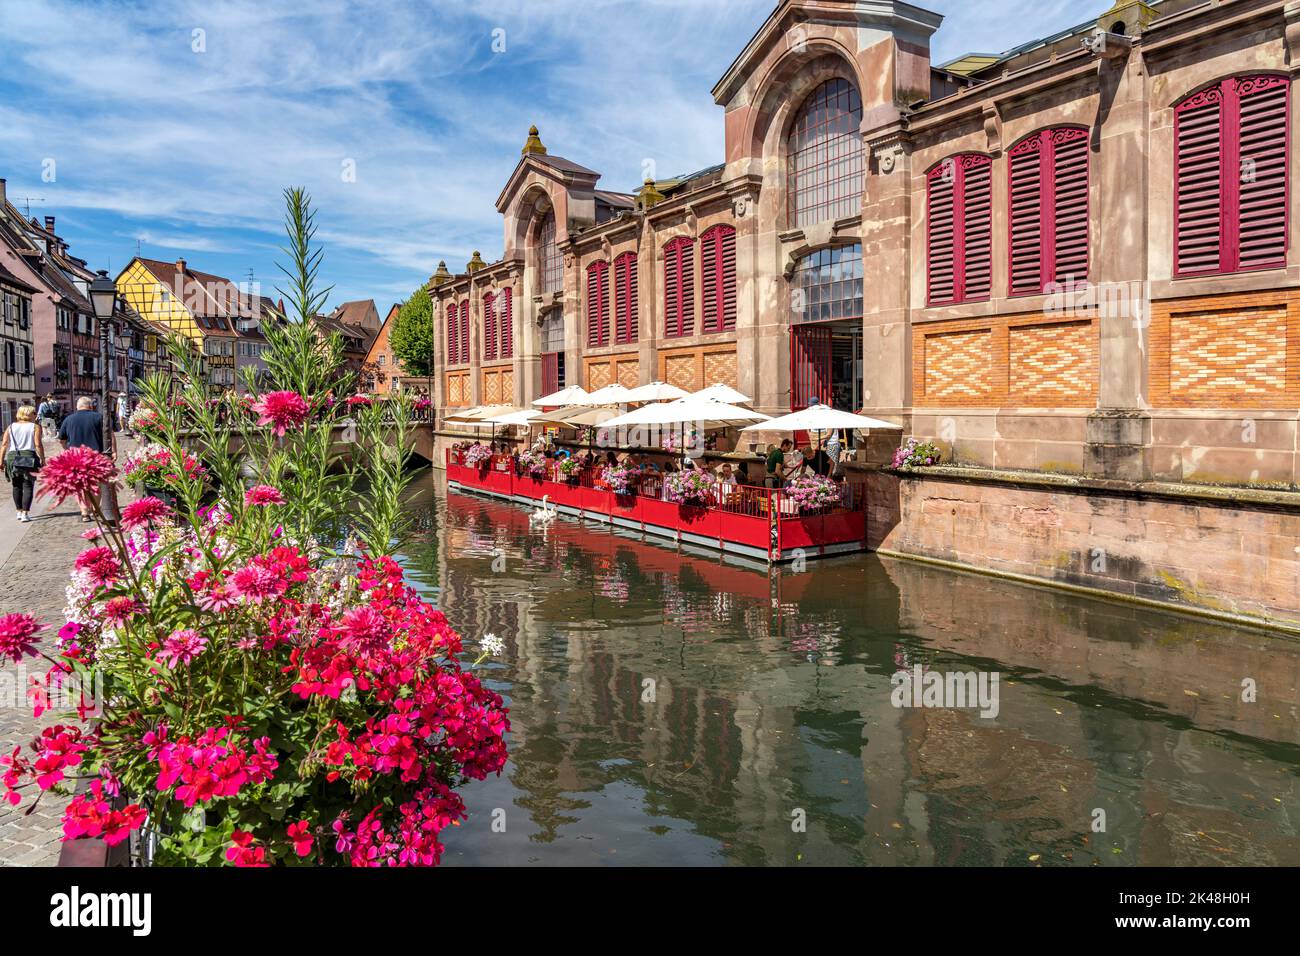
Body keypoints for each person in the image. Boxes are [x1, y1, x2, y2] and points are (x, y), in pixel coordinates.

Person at [58, 396, 118, 524]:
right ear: (91, 406)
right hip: (96, 457)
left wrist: (67, 450)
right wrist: (113, 451)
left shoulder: (68, 419)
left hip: (76, 458)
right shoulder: (99, 417)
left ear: (77, 406)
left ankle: (84, 511)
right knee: (96, 484)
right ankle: (95, 509)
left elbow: (61, 440)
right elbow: (110, 434)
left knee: (79, 486)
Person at [1, 405, 45, 522]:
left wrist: (1, 460)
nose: (36, 414)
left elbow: (4, 444)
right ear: (28, 414)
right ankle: (25, 513)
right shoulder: (35, 427)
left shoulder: (11, 426)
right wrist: (43, 459)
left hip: (12, 457)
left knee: (16, 485)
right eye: (34, 412)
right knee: (28, 485)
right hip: (28, 457)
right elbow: (37, 444)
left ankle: (19, 511)